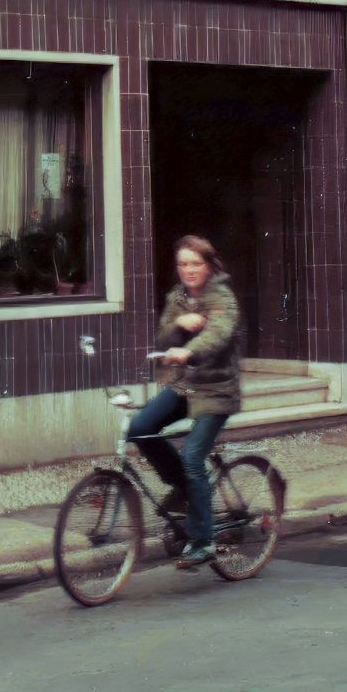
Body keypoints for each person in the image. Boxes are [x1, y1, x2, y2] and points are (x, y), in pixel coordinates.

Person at [127, 236, 241, 568]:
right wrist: (177, 324)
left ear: (208, 265)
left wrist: (189, 350)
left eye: (195, 263)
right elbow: (163, 337)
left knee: (192, 457)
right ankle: (186, 490)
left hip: (217, 390)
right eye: (183, 264)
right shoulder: (177, 298)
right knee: (140, 428)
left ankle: (203, 541)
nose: (188, 270)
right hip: (185, 386)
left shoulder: (221, 296)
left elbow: (218, 334)